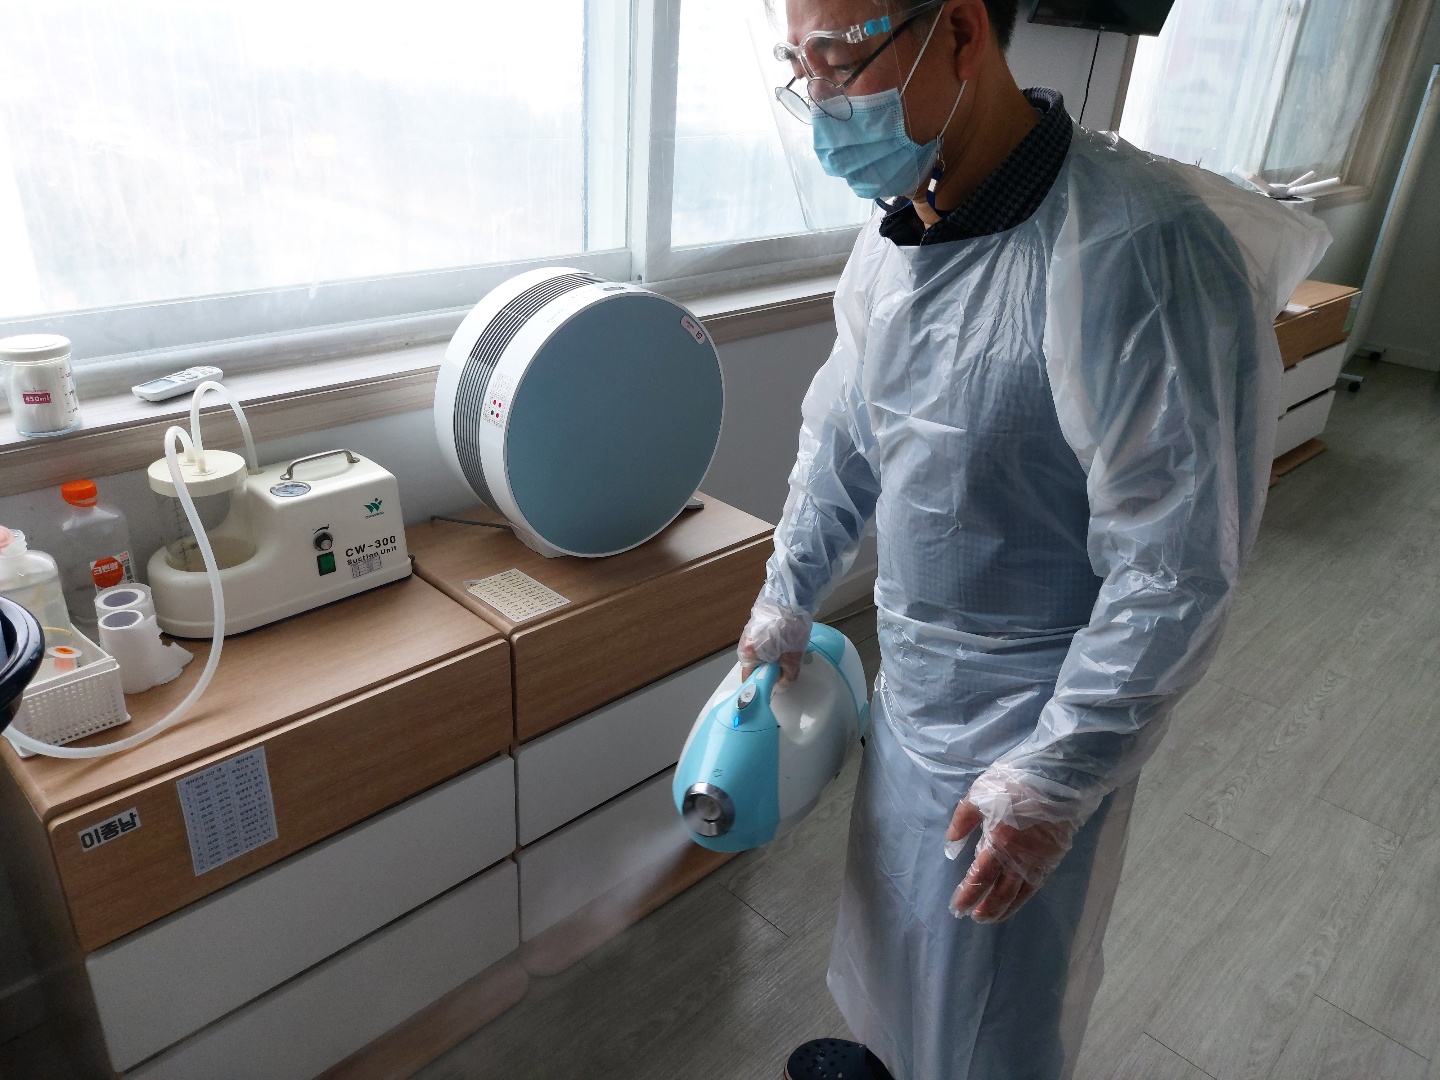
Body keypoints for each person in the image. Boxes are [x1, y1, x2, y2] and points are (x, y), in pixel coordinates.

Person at [738, 1, 1331, 1077]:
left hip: (1038, 717)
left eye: (837, 60)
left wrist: (1058, 774)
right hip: (914, 688)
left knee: (990, 1006)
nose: (818, 101)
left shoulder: (1138, 249)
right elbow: (845, 436)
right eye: (798, 66)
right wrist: (789, 590)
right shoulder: (902, 228)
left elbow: (1175, 563)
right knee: (899, 933)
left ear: (961, 33)